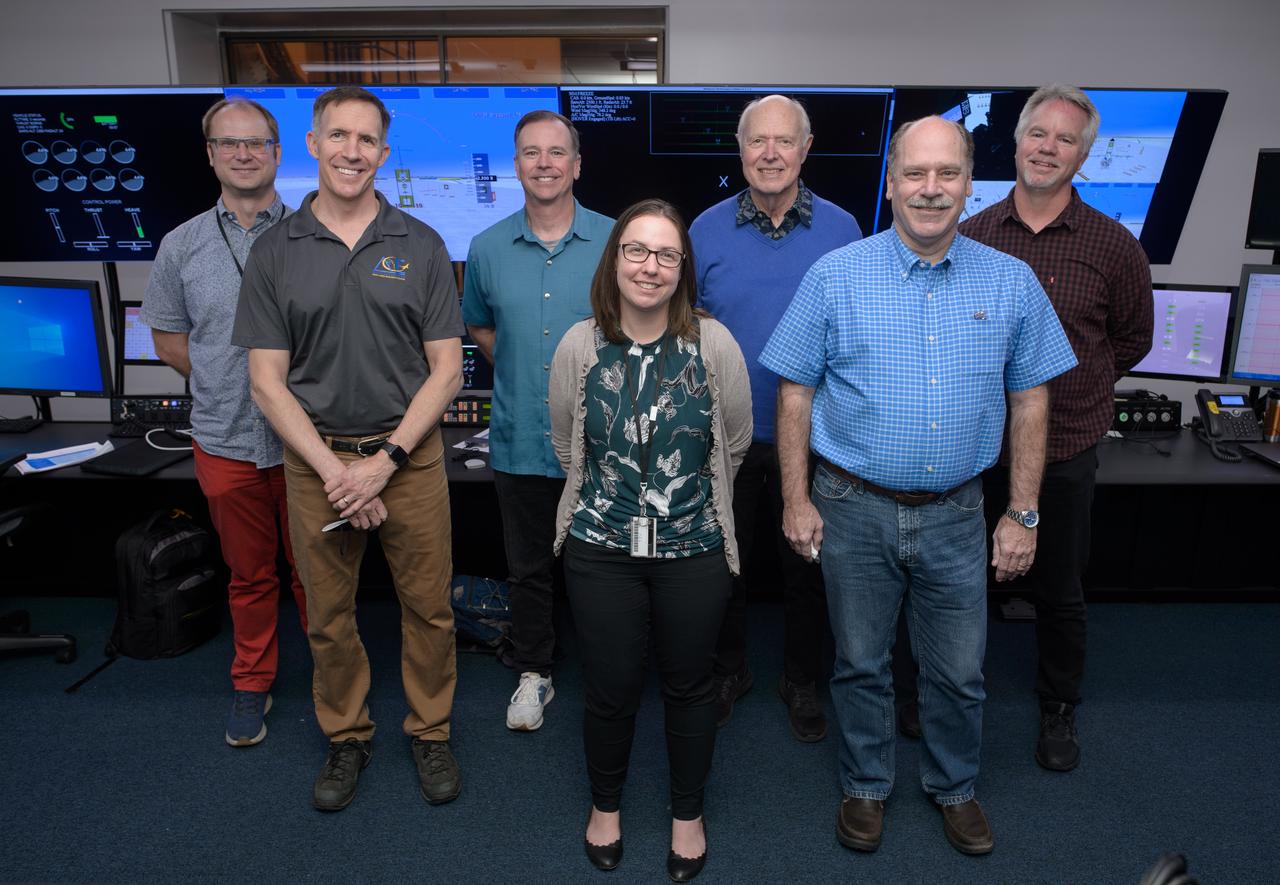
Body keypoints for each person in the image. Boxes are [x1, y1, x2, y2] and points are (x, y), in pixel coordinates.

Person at [760, 116, 1077, 856]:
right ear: (892, 182)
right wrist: (796, 498)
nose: (930, 190)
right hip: (852, 508)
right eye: (915, 174)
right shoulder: (836, 275)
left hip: (959, 515)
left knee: (960, 672)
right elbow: (795, 391)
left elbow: (1032, 397)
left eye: (947, 174)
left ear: (969, 183)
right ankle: (866, 785)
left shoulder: (1011, 281)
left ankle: (954, 786)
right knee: (860, 663)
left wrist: (1022, 512)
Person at [232, 86, 465, 812]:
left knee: (428, 607)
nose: (352, 152)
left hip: (410, 458)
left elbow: (448, 367)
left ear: (384, 154)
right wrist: (339, 472)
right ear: (313, 143)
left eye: (367, 140)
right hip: (318, 465)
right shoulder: (275, 251)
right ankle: (347, 735)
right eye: (339, 136)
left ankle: (430, 729)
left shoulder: (420, 244)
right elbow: (267, 382)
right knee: (329, 614)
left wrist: (384, 462)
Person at [549, 199, 751, 880]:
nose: (651, 265)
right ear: (615, 260)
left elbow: (735, 443)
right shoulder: (581, 343)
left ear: (682, 268)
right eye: (636, 250)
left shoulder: (714, 344)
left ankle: (686, 814)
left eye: (667, 254)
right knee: (609, 684)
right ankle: (605, 806)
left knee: (690, 685)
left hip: (694, 546)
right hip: (600, 545)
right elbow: (565, 441)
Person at [958, 84, 1154, 771]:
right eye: (1038, 134)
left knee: (1060, 588)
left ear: (1085, 155)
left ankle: (1059, 705)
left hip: (1068, 445)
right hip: (982, 449)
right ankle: (949, 693)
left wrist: (1077, 386)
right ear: (1014, 143)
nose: (1048, 148)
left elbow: (1131, 340)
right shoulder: (972, 236)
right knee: (963, 582)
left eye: (1065, 139)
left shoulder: (1114, 246)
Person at [690, 93, 862, 740]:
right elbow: (688, 326)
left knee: (808, 570)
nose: (769, 153)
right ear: (740, 150)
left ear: (805, 149)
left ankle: (800, 678)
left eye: (783, 141)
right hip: (725, 435)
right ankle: (730, 671)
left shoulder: (845, 231)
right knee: (723, 569)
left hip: (816, 437)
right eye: (756, 141)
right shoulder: (702, 230)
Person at [141, 97, 307, 748]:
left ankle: (336, 681)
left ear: (276, 152)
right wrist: (225, 377)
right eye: (229, 143)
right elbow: (169, 339)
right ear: (210, 154)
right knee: (249, 574)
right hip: (226, 440)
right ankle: (252, 681)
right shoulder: (180, 246)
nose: (244, 153)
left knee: (314, 573)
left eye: (256, 143)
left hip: (304, 445)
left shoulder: (310, 239)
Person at [461, 110, 613, 731]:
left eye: (557, 153)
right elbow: (478, 324)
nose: (544, 163)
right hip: (520, 438)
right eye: (531, 153)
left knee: (603, 566)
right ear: (516, 166)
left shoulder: (615, 241)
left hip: (602, 442)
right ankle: (535, 671)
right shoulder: (486, 247)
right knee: (528, 568)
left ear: (577, 166)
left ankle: (610, 670)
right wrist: (527, 368)